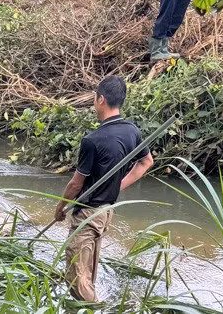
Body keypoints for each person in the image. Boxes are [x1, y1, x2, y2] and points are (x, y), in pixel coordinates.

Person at [53, 75, 154, 302]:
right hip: (106, 212)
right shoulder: (132, 131)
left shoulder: (93, 140)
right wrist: (118, 186)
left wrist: (60, 208)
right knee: (88, 269)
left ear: (100, 100)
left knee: (76, 273)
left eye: (94, 99)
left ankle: (94, 307)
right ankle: (90, 300)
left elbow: (75, 183)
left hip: (88, 214)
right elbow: (147, 162)